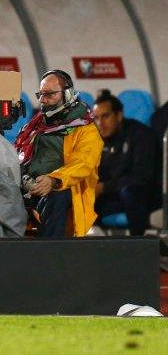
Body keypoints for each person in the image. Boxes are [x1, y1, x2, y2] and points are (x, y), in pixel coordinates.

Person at [13, 70, 102, 237]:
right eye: (40, 94)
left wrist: (54, 180)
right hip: (27, 186)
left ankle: (52, 255)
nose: (42, 100)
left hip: (62, 188)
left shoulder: (86, 130)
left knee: (56, 197)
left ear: (67, 95)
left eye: (49, 94)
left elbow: (83, 164)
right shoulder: (35, 125)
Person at [92, 90, 160, 236]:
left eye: (105, 116)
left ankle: (138, 244)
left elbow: (142, 176)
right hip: (112, 197)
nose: (100, 123)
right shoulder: (95, 139)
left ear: (119, 115)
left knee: (130, 191)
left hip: (144, 196)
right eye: (96, 118)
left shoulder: (141, 135)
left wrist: (104, 188)